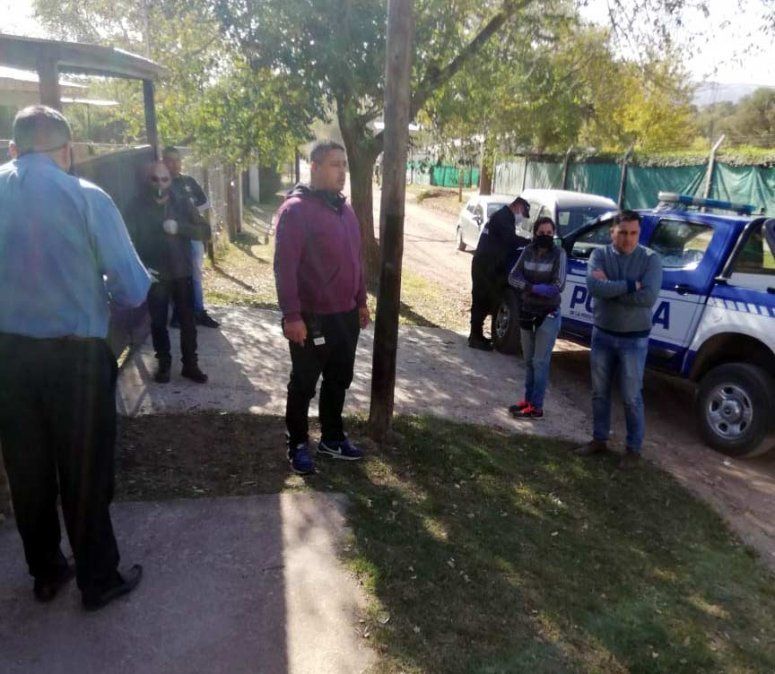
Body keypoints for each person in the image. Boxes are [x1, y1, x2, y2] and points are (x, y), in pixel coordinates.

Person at [0, 105, 150, 609]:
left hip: (8, 358)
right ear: (67, 150)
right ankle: (97, 579)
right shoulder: (87, 197)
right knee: (84, 470)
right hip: (75, 360)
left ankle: (46, 573)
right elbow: (131, 287)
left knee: (27, 470)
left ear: (14, 148)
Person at [274, 140, 370, 475]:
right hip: (311, 318)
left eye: (344, 165)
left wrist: (361, 301)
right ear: (314, 167)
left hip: (345, 315)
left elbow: (356, 259)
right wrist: (292, 316)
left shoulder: (345, 210)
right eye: (334, 165)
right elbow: (285, 268)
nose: (342, 172)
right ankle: (298, 443)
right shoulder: (295, 211)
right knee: (303, 383)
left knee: (339, 379)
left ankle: (331, 437)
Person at [573, 210, 663, 469]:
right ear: (612, 232)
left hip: (634, 339)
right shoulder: (599, 255)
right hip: (603, 334)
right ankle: (599, 439)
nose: (628, 238)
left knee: (631, 396)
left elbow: (648, 298)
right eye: (623, 232)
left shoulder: (650, 259)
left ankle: (633, 449)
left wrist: (611, 288)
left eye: (634, 233)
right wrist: (631, 285)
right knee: (599, 392)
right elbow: (595, 287)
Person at [125, 161, 210, 384]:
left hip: (181, 272)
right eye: (155, 179)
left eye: (164, 179)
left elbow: (205, 231)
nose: (160, 184)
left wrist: (180, 227)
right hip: (155, 274)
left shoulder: (182, 203)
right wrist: (142, 267)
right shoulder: (136, 206)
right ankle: (164, 364)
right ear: (148, 180)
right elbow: (127, 241)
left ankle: (190, 365)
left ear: (170, 180)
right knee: (158, 321)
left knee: (187, 321)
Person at [506, 216, 567, 419]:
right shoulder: (527, 251)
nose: (546, 236)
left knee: (540, 362)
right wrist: (531, 287)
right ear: (535, 233)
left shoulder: (559, 254)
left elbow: (558, 285)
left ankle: (537, 407)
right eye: (542, 233)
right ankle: (528, 400)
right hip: (527, 311)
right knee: (529, 361)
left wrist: (531, 288)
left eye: (549, 233)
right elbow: (513, 277)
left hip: (549, 314)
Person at [162, 146, 220, 329]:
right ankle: (179, 314)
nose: (174, 164)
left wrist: (191, 215)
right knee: (176, 275)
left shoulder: (188, 181)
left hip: (193, 235)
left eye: (177, 160)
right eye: (169, 160)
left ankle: (199, 311)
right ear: (163, 162)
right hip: (173, 238)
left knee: (195, 275)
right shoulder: (162, 182)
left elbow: (204, 203)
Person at [469, 196, 531, 350]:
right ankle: (475, 337)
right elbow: (511, 240)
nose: (522, 218)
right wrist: (529, 242)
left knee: (484, 301)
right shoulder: (503, 218)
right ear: (518, 207)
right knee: (480, 301)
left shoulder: (504, 217)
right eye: (523, 214)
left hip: (487, 265)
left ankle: (477, 335)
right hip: (485, 265)